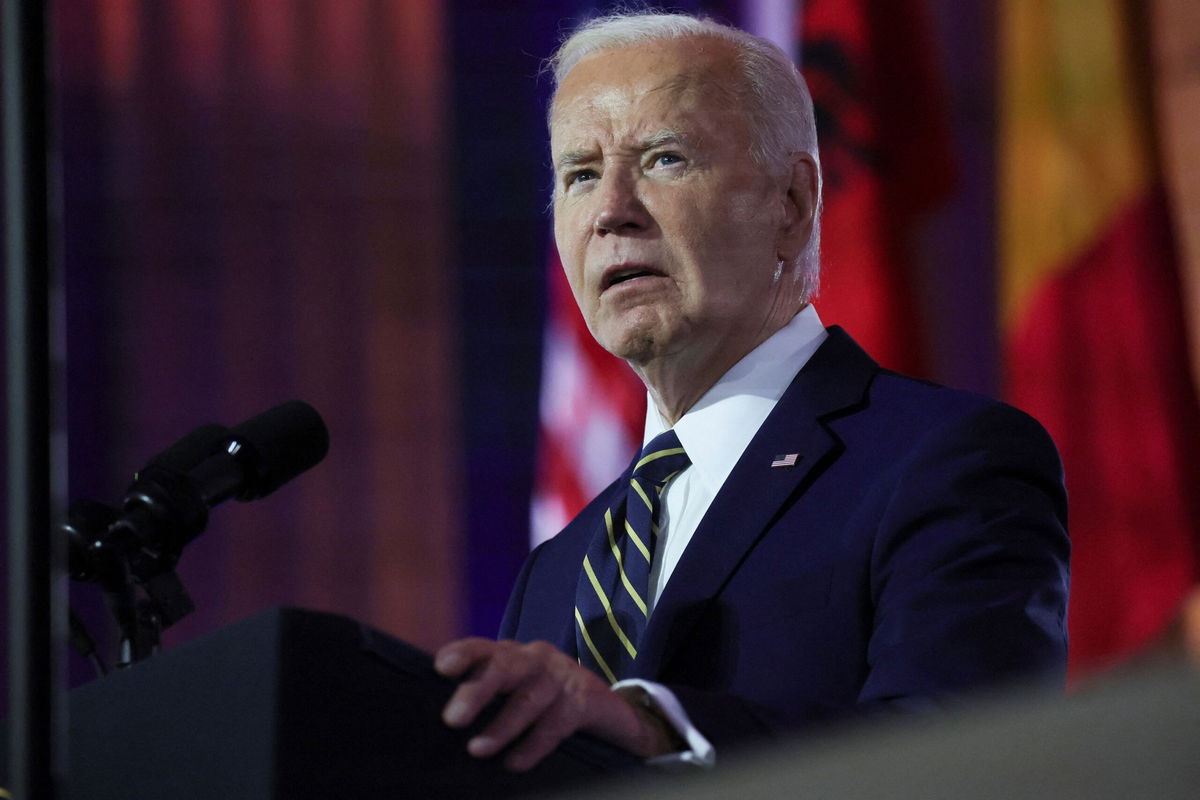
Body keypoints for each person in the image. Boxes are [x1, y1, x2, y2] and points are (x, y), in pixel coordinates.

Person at [434, 11, 1069, 771]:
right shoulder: (558, 568)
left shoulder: (943, 461)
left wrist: (657, 729)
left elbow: (968, 756)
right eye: (579, 174)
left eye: (664, 159)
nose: (610, 212)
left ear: (792, 205)